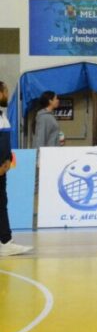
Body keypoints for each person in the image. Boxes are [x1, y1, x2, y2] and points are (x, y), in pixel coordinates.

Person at [0, 80, 31, 256]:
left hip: (2, 169)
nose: (7, 94)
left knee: (1, 205)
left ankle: (6, 241)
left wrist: (7, 161)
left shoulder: (3, 116)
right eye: (5, 91)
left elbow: (4, 143)